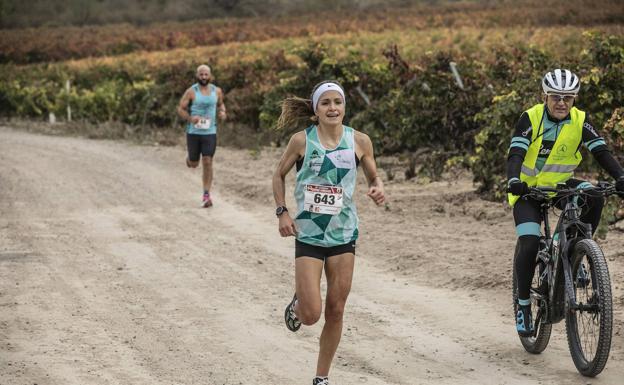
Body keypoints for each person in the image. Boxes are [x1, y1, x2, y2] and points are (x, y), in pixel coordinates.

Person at [272, 81, 385, 385]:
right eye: (326, 103)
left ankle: (321, 377)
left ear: (345, 107)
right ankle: (298, 304)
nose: (333, 108)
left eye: (338, 102)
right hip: (308, 235)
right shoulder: (301, 141)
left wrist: (376, 186)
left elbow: (373, 173)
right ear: (316, 109)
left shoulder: (360, 141)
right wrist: (282, 212)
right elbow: (278, 175)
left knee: (335, 309)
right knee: (311, 315)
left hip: (343, 236)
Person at [507, 69, 624, 336]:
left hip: (560, 185)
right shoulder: (531, 118)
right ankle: (523, 306)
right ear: (545, 96)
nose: (562, 102)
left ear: (574, 99)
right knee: (530, 240)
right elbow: (516, 154)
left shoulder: (580, 120)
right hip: (528, 190)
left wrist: (620, 177)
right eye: (556, 97)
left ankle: (578, 249)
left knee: (593, 195)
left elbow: (601, 151)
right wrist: (514, 180)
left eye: (568, 98)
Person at [177, 64, 227, 207]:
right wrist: (190, 118)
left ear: (210, 76)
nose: (204, 77)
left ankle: (206, 194)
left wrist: (223, 112)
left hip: (210, 132)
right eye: (201, 74)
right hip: (194, 132)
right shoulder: (191, 91)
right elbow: (181, 108)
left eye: (206, 74)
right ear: (197, 75)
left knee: (207, 161)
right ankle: (190, 159)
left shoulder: (217, 91)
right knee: (194, 164)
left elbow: (221, 105)